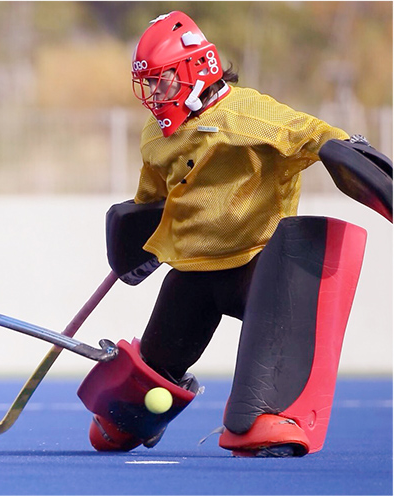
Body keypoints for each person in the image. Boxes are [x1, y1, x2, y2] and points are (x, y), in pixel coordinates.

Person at [77, 11, 390, 457]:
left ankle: (270, 414)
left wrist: (345, 151)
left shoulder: (250, 115)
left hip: (257, 270)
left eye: (162, 81)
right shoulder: (156, 134)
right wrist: (137, 239)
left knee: (264, 380)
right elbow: (152, 199)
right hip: (195, 272)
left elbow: (318, 136)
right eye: (148, 84)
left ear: (196, 70)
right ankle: (142, 413)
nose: (154, 95)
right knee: (123, 416)